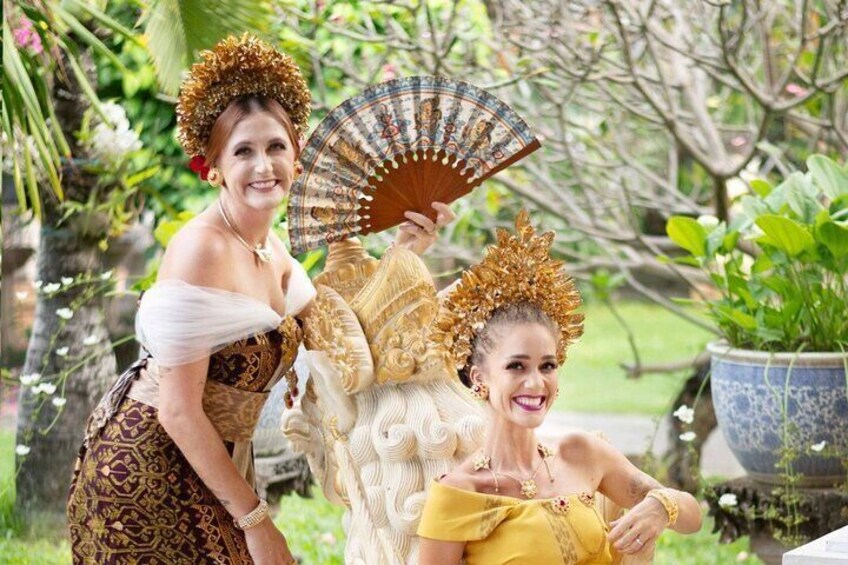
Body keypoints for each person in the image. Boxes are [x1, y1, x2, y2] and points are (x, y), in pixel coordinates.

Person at [66, 34, 451, 564]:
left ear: (297, 156)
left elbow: (345, 335)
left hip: (214, 464)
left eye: (276, 147)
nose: (264, 165)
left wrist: (405, 251)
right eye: (243, 151)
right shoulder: (201, 249)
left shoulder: (273, 248)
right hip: (149, 465)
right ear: (214, 166)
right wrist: (255, 521)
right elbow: (177, 410)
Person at [417, 211, 703, 565]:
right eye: (516, 366)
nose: (536, 382)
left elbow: (692, 517)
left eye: (547, 366)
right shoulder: (460, 492)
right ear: (480, 378)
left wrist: (662, 506)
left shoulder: (582, 453)